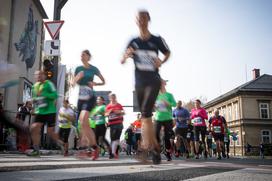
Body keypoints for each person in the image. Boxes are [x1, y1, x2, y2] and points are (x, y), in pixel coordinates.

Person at [121, 10, 171, 164]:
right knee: (146, 117)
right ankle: (156, 149)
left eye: (144, 18)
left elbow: (168, 53)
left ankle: (145, 147)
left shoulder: (156, 39)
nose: (141, 21)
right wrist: (126, 55)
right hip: (139, 83)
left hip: (153, 80)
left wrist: (161, 61)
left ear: (148, 20)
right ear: (136, 21)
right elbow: (122, 59)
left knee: (146, 114)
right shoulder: (133, 41)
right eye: (139, 19)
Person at [73, 49, 105, 160]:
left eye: (84, 55)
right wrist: (77, 78)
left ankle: (89, 148)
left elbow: (104, 81)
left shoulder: (93, 69)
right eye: (81, 55)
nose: (82, 56)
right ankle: (93, 148)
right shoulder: (78, 69)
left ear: (88, 57)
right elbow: (72, 83)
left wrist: (95, 83)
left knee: (83, 120)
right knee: (83, 124)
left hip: (90, 97)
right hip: (80, 98)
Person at [27, 70, 62, 156]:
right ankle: (36, 150)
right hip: (40, 111)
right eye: (37, 75)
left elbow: (55, 95)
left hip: (50, 111)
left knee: (50, 133)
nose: (38, 76)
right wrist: (33, 106)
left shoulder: (49, 84)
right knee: (34, 128)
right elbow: (36, 99)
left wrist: (45, 94)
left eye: (40, 74)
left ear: (44, 76)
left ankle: (62, 144)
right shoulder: (34, 86)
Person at [154, 80, 176, 161]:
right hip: (158, 118)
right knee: (156, 134)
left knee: (167, 137)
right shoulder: (156, 96)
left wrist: (167, 103)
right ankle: (157, 152)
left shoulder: (169, 95)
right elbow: (153, 106)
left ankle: (167, 152)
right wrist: (154, 106)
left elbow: (174, 104)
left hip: (167, 118)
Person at [105, 93, 125, 159]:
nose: (113, 98)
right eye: (111, 97)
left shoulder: (119, 105)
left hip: (119, 123)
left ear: (115, 98)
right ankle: (113, 152)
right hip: (112, 124)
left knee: (117, 139)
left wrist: (118, 112)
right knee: (112, 139)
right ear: (109, 98)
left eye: (114, 97)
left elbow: (123, 112)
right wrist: (109, 112)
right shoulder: (108, 106)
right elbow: (105, 114)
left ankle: (114, 153)